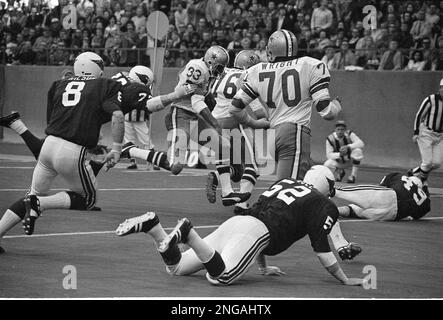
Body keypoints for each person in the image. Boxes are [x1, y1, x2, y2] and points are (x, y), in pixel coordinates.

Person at [0, 55, 196, 252]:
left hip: (49, 145)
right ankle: (38, 203)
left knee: (31, 194)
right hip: (72, 150)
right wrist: (176, 95)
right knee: (87, 199)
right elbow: (126, 112)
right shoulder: (113, 86)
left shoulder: (60, 83)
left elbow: (52, 120)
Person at [115, 165, 366, 286]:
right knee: (222, 277)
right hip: (255, 232)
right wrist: (344, 279)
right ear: (326, 187)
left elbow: (265, 215)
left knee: (177, 268)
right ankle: (189, 234)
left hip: (236, 224)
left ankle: (154, 228)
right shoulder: (323, 203)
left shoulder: (287, 182)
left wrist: (264, 267)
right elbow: (322, 248)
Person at [230, 29, 342, 181]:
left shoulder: (256, 70)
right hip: (295, 131)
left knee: (306, 181)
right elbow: (327, 112)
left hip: (273, 135)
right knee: (288, 189)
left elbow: (234, 108)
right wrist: (337, 105)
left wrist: (253, 123)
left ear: (270, 50)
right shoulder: (309, 64)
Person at [164, 45, 250, 205]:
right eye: (219, 67)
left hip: (193, 118)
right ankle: (131, 150)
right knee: (176, 167)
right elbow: (196, 102)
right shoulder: (197, 68)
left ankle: (227, 193)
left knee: (223, 145)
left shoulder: (205, 71)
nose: (220, 71)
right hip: (180, 115)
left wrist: (207, 96)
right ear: (211, 60)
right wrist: (214, 122)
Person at [205, 50, 266, 212]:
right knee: (252, 167)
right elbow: (259, 112)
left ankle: (217, 177)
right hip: (235, 123)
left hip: (214, 123)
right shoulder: (247, 76)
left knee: (237, 170)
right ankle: (241, 205)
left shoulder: (222, 72)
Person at [335, 173, 430, 221]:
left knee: (350, 192)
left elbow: (380, 187)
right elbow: (415, 216)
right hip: (392, 215)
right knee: (354, 211)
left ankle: (332, 189)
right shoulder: (425, 201)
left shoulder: (399, 176)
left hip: (391, 196)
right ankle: (334, 211)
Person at [408, 78, 443, 192]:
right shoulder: (431, 99)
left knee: (437, 163)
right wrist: (416, 132)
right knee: (427, 162)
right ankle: (423, 182)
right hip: (426, 132)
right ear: (440, 89)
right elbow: (419, 115)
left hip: (440, 136)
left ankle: (414, 172)